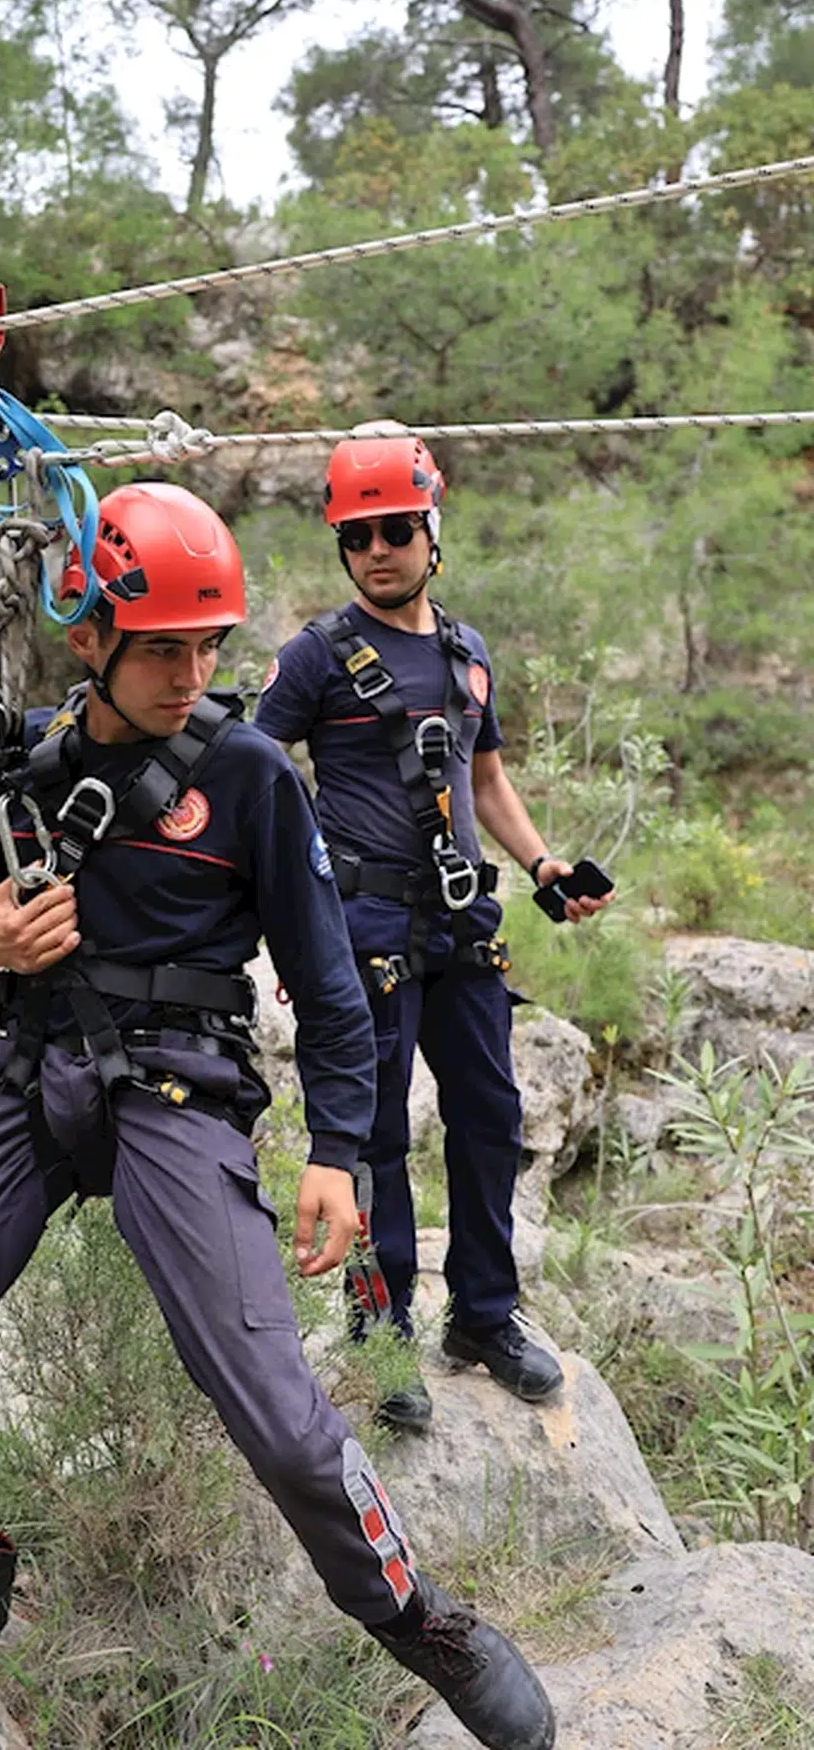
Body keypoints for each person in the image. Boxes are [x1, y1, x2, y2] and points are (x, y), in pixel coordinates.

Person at [0, 482, 555, 1750]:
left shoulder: (251, 773)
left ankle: (420, 1619)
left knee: (274, 1409)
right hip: (34, 1068)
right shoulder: (25, 759)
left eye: (207, 643)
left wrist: (336, 1156)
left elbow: (327, 985)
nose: (189, 669)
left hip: (176, 1091)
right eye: (163, 644)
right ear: (92, 634)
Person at [253, 436, 612, 1430]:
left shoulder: (465, 651)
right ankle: (379, 1336)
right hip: (359, 923)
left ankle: (482, 1317)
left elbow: (484, 777)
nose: (376, 549)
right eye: (356, 534)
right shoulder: (316, 658)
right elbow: (244, 762)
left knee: (489, 1116)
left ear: (429, 531)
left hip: (462, 921)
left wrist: (541, 863)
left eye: (394, 530)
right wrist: (280, 907)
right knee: (369, 1136)